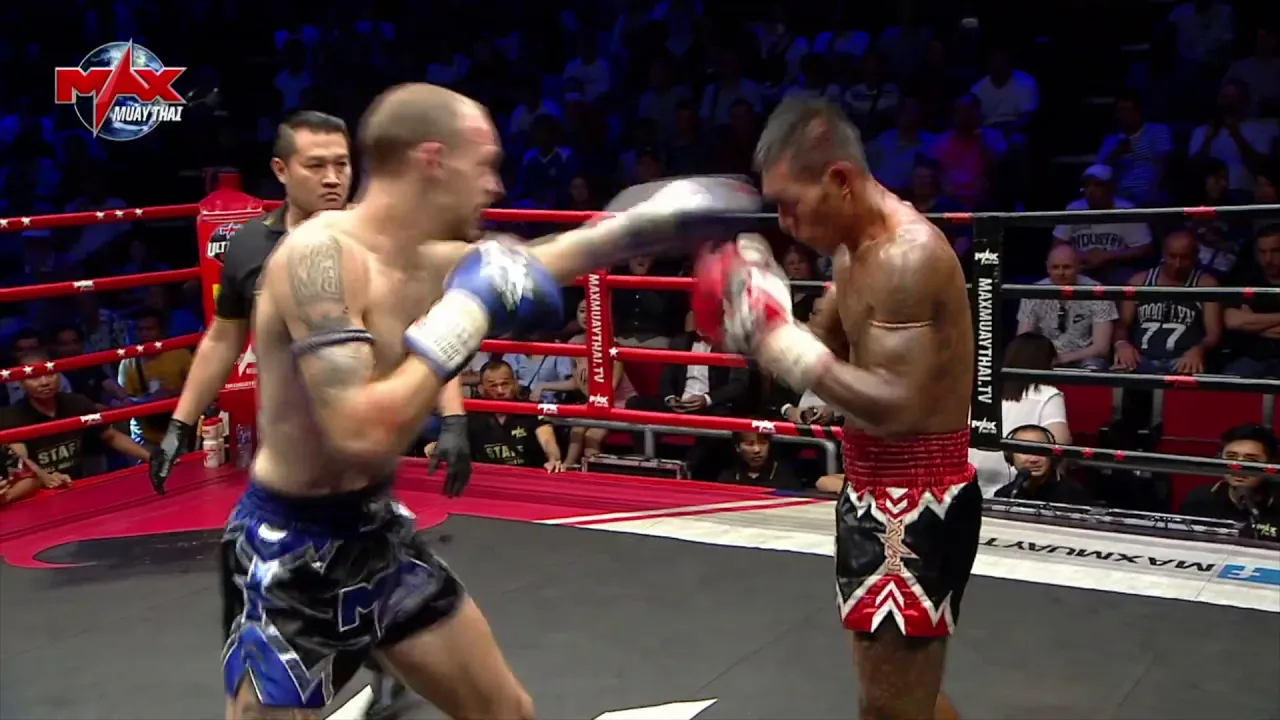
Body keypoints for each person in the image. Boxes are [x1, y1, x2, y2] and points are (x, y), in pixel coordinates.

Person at [220, 82, 757, 720]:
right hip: (288, 548)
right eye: (485, 165)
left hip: (374, 533)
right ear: (432, 160)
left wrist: (654, 224)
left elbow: (540, 261)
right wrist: (464, 315)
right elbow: (358, 433)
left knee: (508, 713)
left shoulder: (428, 257)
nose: (496, 186)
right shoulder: (319, 259)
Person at [693, 95, 978, 720]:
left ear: (840, 180)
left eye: (791, 204)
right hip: (871, 484)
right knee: (896, 700)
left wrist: (783, 345)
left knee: (892, 706)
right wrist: (761, 310)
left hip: (917, 496)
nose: (785, 223)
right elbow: (820, 348)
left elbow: (899, 405)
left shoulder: (906, 258)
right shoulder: (851, 251)